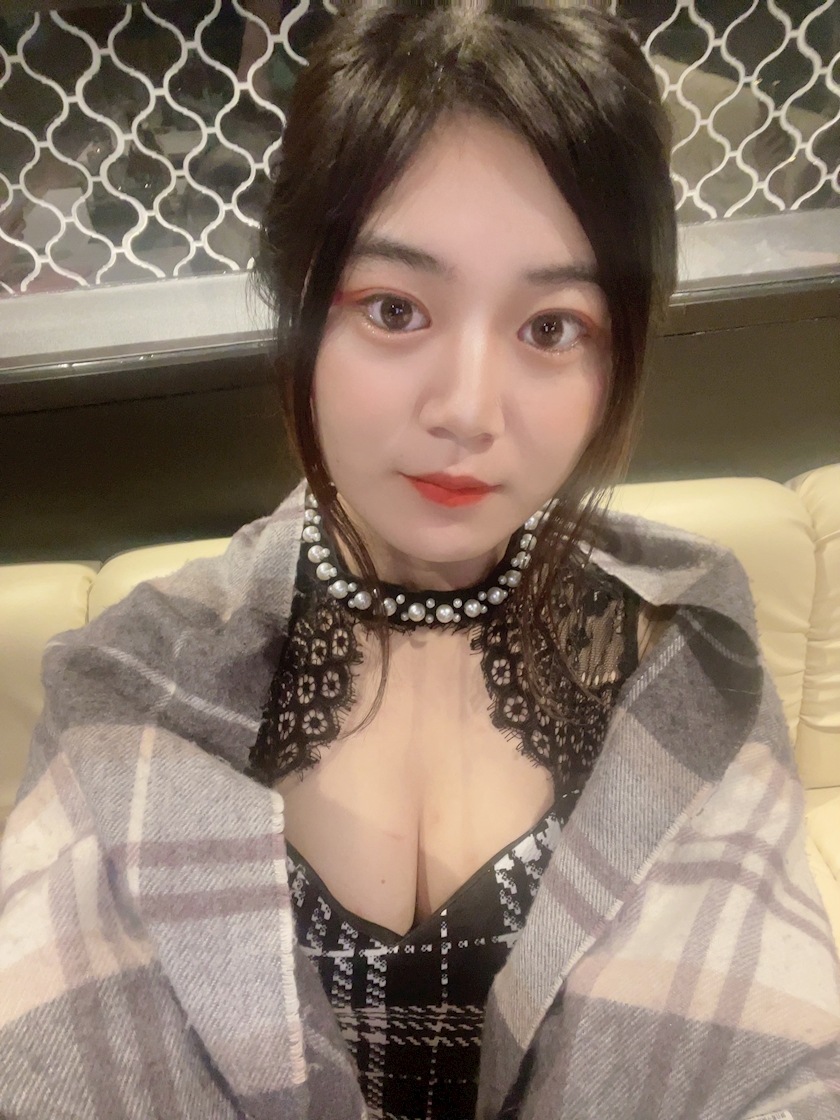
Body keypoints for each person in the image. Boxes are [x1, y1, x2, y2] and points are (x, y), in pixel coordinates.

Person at [1, 5, 838, 1120]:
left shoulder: (685, 656)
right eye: (395, 310)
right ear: (300, 305)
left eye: (552, 327)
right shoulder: (135, 685)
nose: (467, 410)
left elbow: (774, 1057)